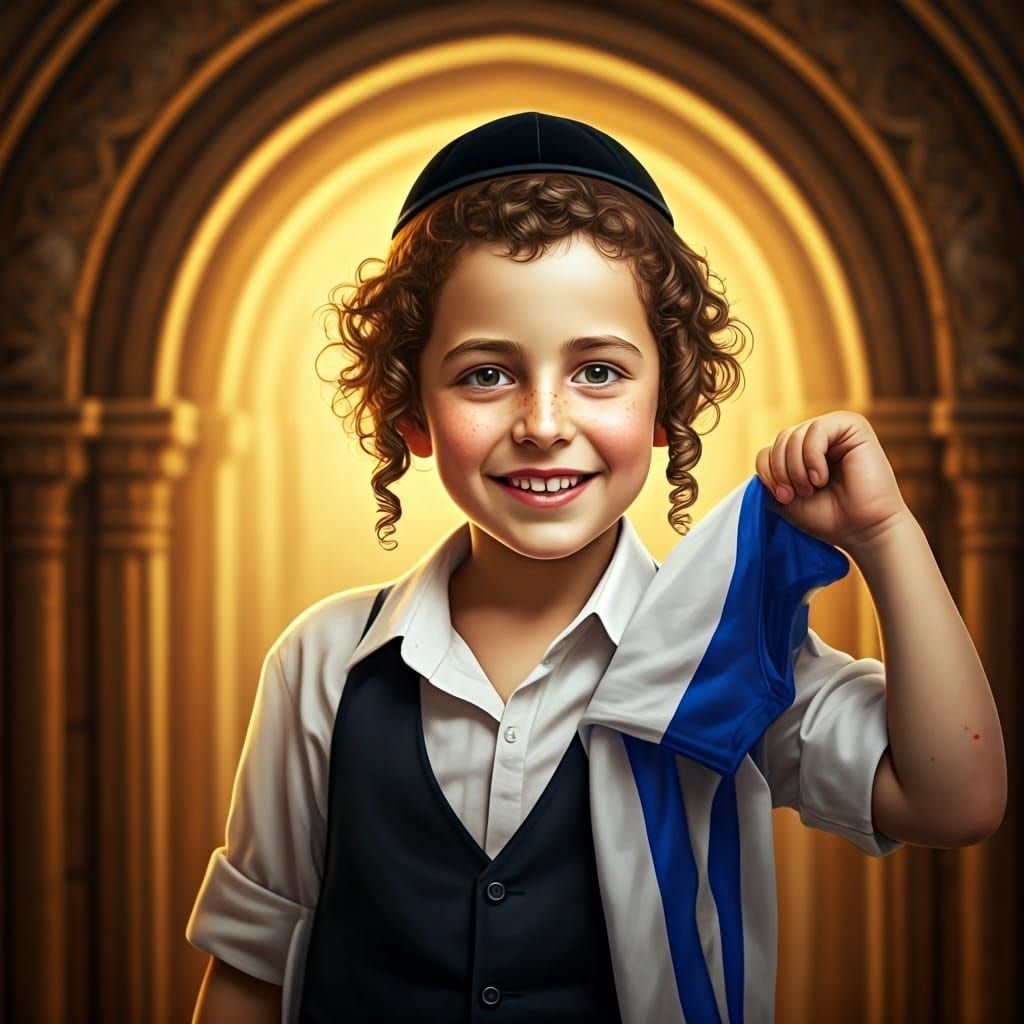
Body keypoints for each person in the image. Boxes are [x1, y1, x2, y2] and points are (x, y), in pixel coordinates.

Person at [186, 112, 1006, 1024]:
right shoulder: (322, 665)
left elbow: (952, 799)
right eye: (486, 375)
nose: (543, 421)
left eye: (600, 372)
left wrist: (884, 532)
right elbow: (251, 972)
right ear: (410, 412)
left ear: (669, 402)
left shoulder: (720, 654)